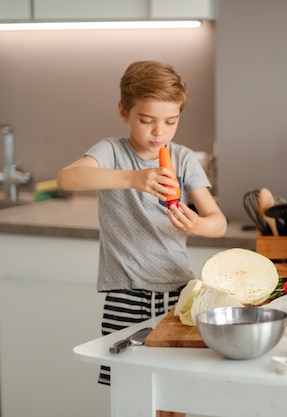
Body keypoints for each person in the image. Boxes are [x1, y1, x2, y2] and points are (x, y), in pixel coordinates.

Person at [57, 60, 227, 417]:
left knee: (178, 397)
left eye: (170, 121)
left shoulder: (181, 158)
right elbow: (68, 179)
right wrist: (133, 179)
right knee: (132, 396)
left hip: (180, 295)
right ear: (124, 111)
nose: (158, 133)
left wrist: (196, 224)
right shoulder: (111, 151)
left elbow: (218, 222)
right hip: (125, 295)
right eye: (147, 120)